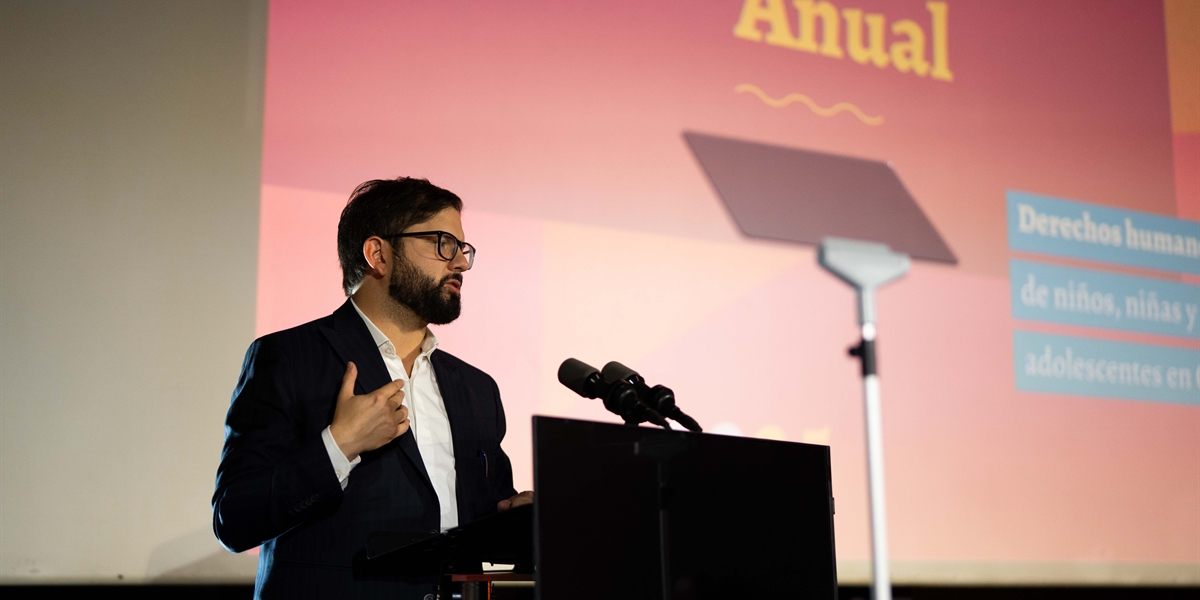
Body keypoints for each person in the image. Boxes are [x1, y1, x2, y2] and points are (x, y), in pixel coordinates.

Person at [213, 177, 532, 599]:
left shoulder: (476, 389)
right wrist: (338, 445)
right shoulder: (289, 358)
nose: (460, 263)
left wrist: (517, 518)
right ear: (378, 254)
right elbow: (234, 519)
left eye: (463, 249)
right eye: (442, 243)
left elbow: (479, 521)